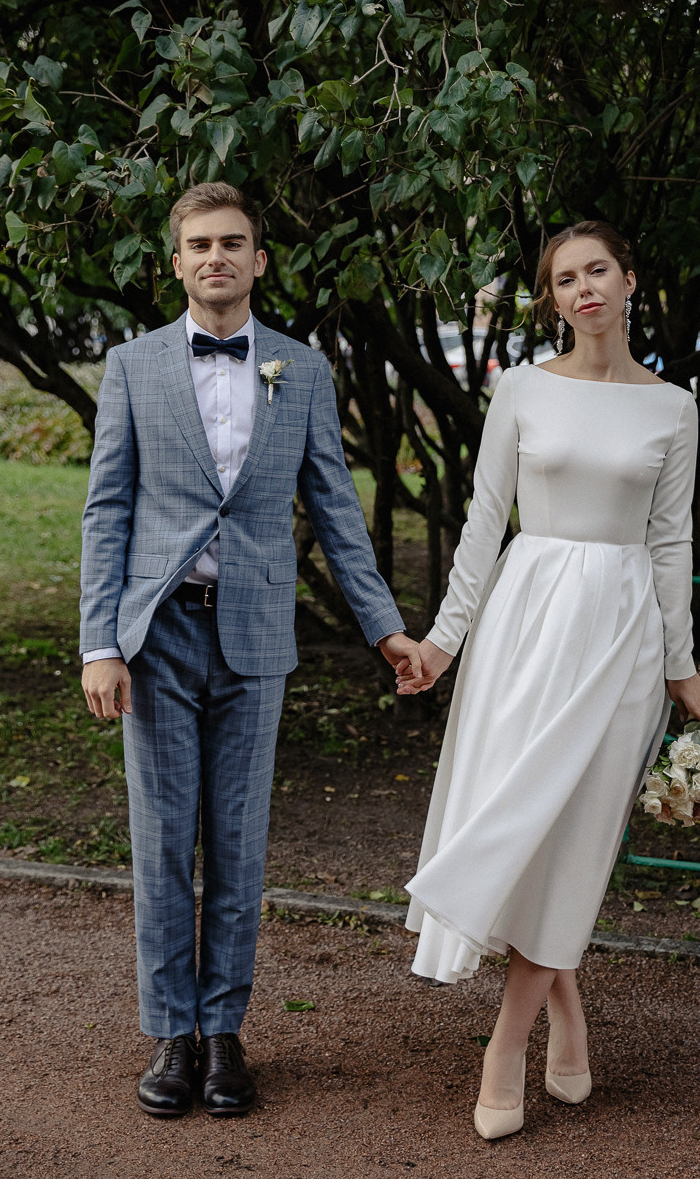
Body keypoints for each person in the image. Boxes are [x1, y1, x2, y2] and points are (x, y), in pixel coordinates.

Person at [79, 182, 420, 1118]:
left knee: (236, 846)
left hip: (255, 637)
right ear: (176, 260)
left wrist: (385, 628)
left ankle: (224, 1032)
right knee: (161, 844)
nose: (216, 256)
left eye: (233, 242)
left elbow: (338, 512)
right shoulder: (132, 366)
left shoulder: (301, 370)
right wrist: (98, 642)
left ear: (259, 260)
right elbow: (107, 510)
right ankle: (170, 1034)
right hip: (155, 635)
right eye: (199, 244)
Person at [399, 220, 700, 1140]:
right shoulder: (523, 389)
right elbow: (483, 518)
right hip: (525, 622)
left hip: (620, 633)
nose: (583, 288)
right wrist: (445, 640)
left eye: (597, 271)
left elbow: (668, 543)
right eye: (564, 278)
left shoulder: (672, 408)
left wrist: (679, 664)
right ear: (553, 298)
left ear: (627, 280)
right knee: (521, 818)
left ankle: (507, 1041)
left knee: (575, 832)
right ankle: (566, 1008)